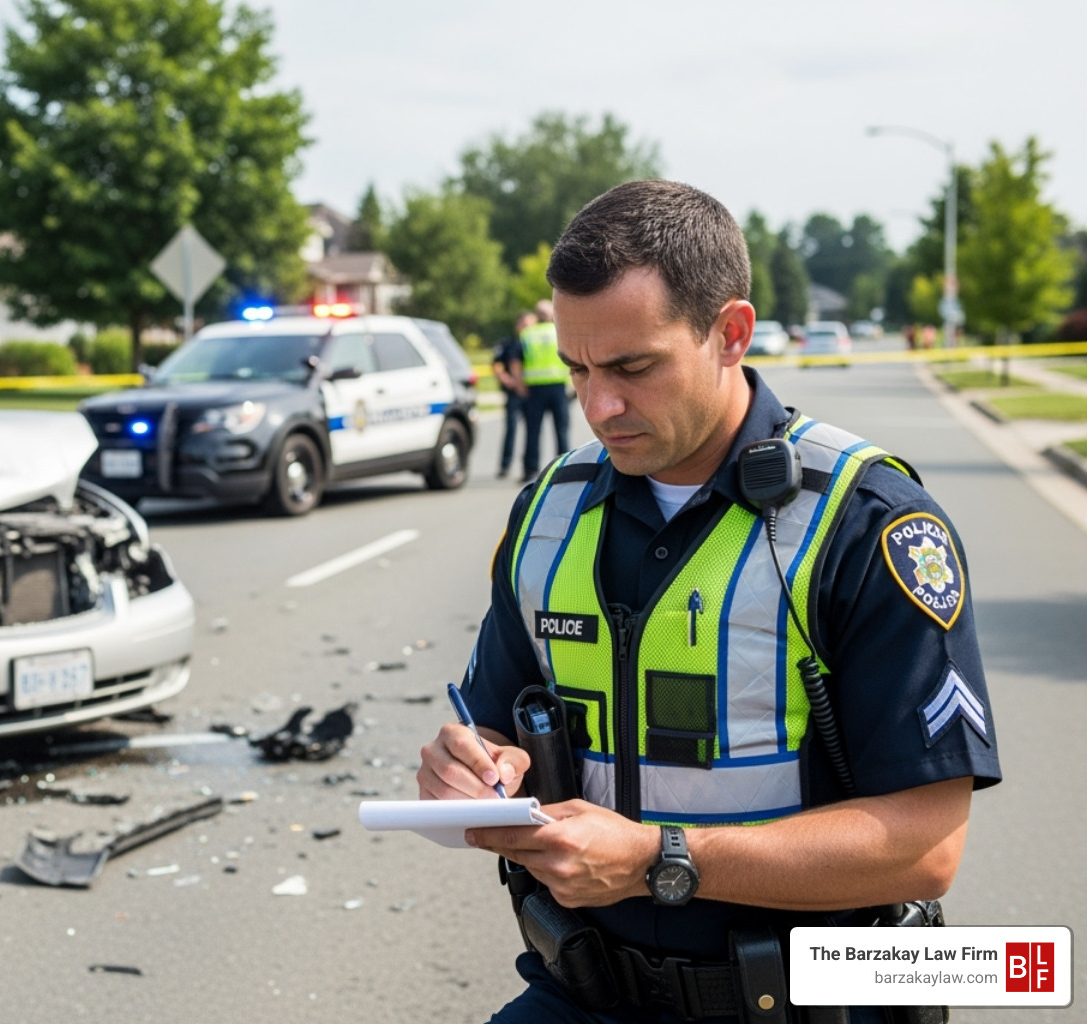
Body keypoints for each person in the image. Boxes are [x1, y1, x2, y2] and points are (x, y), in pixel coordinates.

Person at [418, 180, 1000, 1024]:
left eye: (632, 367)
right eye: (578, 368)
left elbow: (927, 845)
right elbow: (498, 722)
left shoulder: (866, 523)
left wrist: (662, 860)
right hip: (582, 991)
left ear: (730, 334)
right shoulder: (548, 508)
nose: (598, 405)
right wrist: (472, 764)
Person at [519, 299, 572, 482]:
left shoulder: (527, 334)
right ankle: (565, 468)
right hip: (557, 386)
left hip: (534, 388)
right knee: (561, 429)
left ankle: (530, 470)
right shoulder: (559, 332)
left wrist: (521, 386)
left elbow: (518, 362)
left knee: (533, 431)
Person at [493, 312, 537, 479]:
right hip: (513, 393)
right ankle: (505, 464)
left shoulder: (534, 343)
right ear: (518, 326)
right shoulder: (507, 344)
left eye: (531, 325)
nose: (528, 328)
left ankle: (528, 466)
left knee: (532, 431)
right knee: (511, 428)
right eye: (524, 325)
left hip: (532, 393)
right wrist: (507, 379)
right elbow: (497, 364)